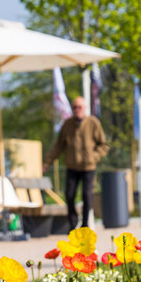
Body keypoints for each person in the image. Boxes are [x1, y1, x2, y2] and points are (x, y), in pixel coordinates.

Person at [43, 95, 109, 230]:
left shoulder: (93, 123)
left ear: (84, 108)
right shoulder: (67, 125)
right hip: (72, 166)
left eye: (79, 107)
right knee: (69, 194)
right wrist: (48, 162)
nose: (77, 109)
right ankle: (73, 224)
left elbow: (103, 145)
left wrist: (93, 156)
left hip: (88, 167)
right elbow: (59, 146)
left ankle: (85, 225)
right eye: (75, 107)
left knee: (87, 195)